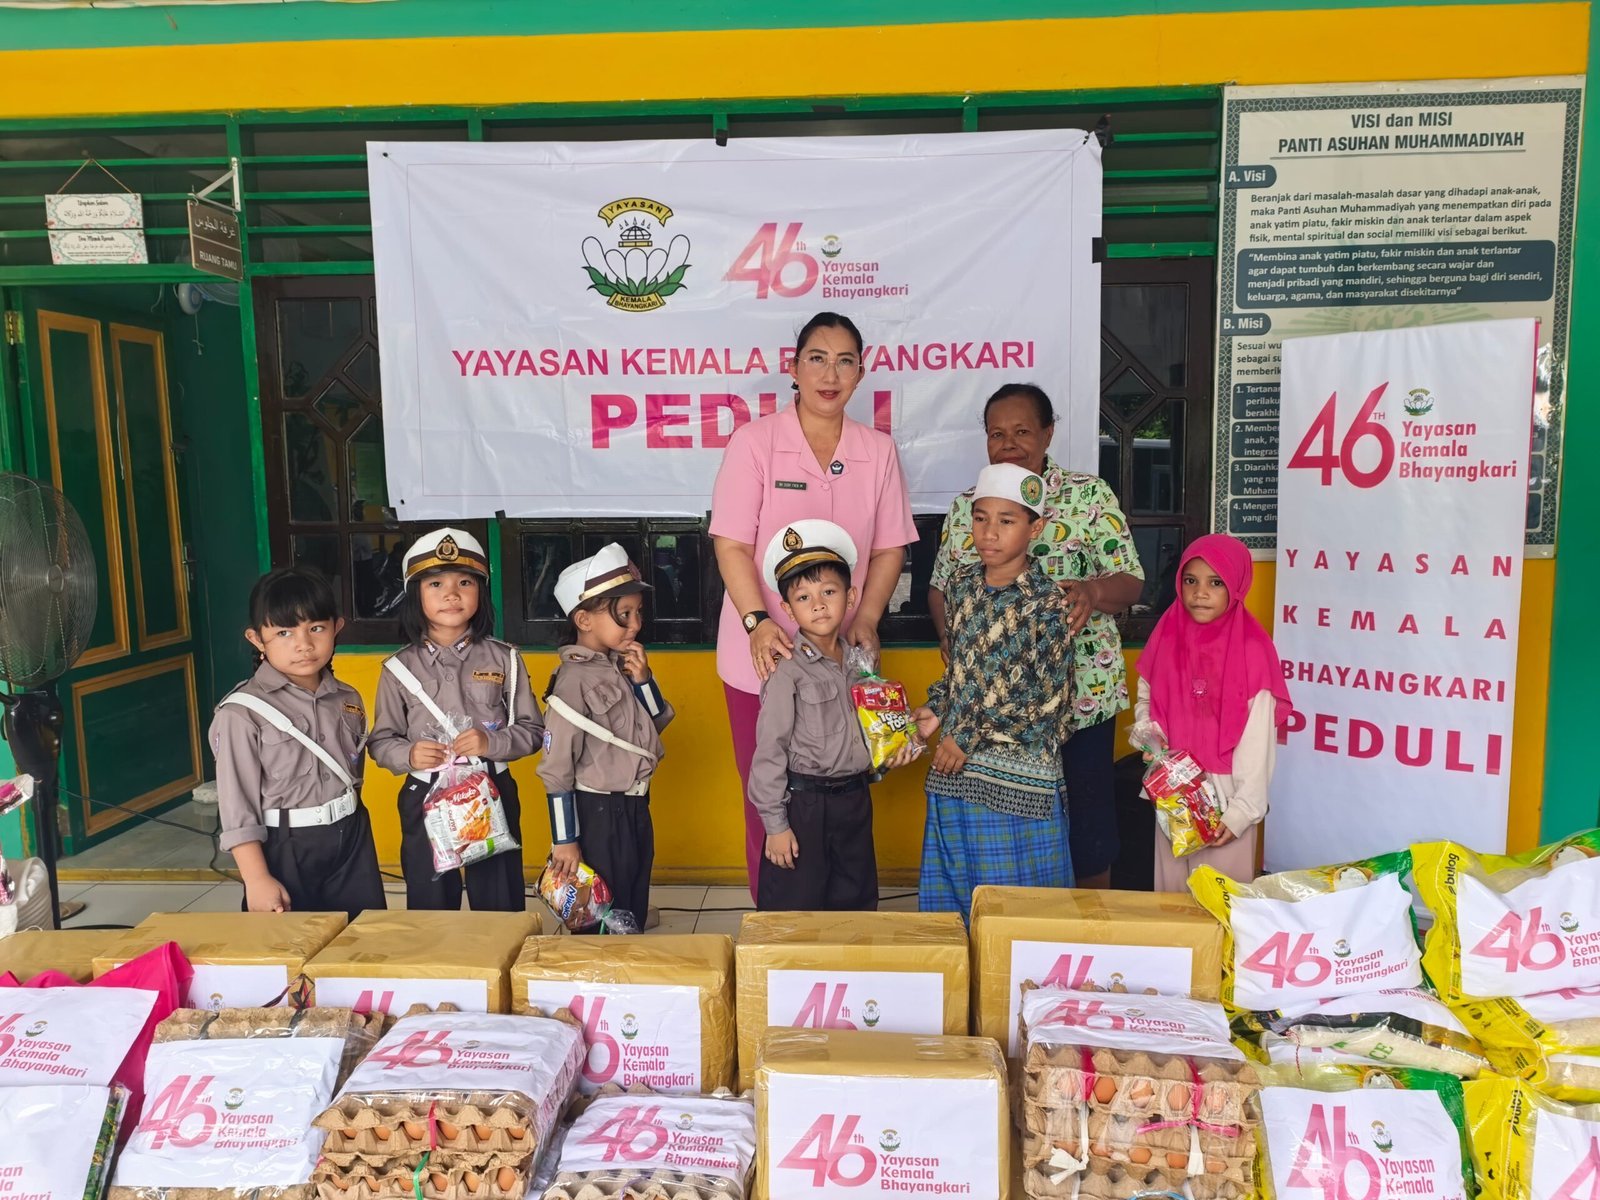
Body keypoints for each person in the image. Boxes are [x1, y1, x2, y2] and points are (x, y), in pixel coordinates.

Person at [710, 312, 917, 898]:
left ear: (861, 372)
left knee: (842, 794)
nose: (830, 374)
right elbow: (731, 543)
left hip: (842, 654)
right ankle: (775, 924)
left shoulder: (877, 450)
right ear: (793, 367)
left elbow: (889, 548)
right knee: (769, 794)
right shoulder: (755, 443)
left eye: (845, 361)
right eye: (817, 359)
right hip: (762, 654)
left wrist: (867, 618)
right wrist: (756, 622)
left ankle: (840, 924)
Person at [928, 383, 1143, 889]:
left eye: (1022, 431)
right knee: (1002, 834)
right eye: (996, 433)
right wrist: (952, 638)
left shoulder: (1087, 495)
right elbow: (941, 586)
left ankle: (1087, 928)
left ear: (1048, 433)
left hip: (1082, 693)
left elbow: (1132, 580)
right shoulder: (969, 505)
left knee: (1087, 830)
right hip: (988, 709)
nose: (1009, 443)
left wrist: (1093, 591)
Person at [914, 464, 1078, 920]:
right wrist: (935, 709)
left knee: (1019, 913)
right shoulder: (961, 585)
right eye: (981, 518)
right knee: (956, 901)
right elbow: (961, 671)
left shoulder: (1048, 601)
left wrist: (965, 737)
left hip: (1016, 779)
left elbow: (1047, 702)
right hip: (956, 768)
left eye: (1007, 521)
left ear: (1035, 528)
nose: (989, 532)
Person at [747, 520, 919, 912]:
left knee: (855, 905)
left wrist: (895, 749)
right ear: (787, 609)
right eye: (803, 597)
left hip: (854, 801)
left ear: (851, 595)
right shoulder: (786, 669)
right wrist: (776, 825)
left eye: (829, 591)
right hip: (803, 806)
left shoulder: (861, 663)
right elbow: (769, 750)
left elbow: (872, 733)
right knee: (796, 909)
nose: (818, 604)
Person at [368, 527, 542, 912]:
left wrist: (491, 743)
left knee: (499, 900)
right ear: (415, 595)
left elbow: (533, 731)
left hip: (490, 788)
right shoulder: (398, 668)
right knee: (431, 904)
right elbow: (380, 741)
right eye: (436, 584)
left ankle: (499, 950)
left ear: (481, 592)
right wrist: (409, 754)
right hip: (425, 791)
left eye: (465, 582)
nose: (452, 594)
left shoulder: (505, 659)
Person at [210, 565, 385, 919]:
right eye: (284, 632)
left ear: (337, 627)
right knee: (288, 945)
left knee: (363, 936)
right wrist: (256, 878)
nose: (304, 644)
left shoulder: (347, 698)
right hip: (284, 846)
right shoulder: (241, 713)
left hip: (352, 836)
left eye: (316, 628)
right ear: (257, 640)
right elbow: (237, 805)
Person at [1131, 534, 1292, 890]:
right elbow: (1147, 697)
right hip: (1174, 791)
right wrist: (1150, 735)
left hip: (1227, 797)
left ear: (1236, 585)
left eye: (1216, 583)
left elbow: (1258, 741)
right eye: (1190, 581)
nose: (1200, 593)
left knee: (1220, 899)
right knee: (1171, 897)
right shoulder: (1168, 635)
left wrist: (1242, 812)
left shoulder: (1252, 649)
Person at [538, 543, 673, 931]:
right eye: (623, 614)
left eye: (638, 612)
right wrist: (565, 840)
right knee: (599, 919)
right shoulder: (572, 681)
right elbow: (555, 768)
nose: (635, 624)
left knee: (631, 903)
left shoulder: (619, 665)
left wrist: (643, 680)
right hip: (598, 813)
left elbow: (653, 727)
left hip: (634, 807)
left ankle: (630, 961)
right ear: (584, 619)